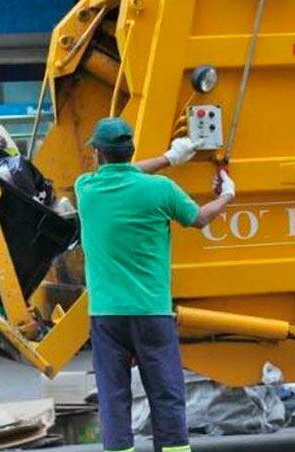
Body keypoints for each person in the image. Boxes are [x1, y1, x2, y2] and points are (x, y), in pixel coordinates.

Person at [75, 118, 236, 452]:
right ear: (130, 149)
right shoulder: (161, 191)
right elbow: (199, 218)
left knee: (114, 398)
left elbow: (124, 173)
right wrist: (227, 196)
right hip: (152, 313)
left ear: (98, 154)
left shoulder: (86, 190)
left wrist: (167, 158)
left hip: (106, 316)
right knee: (166, 396)